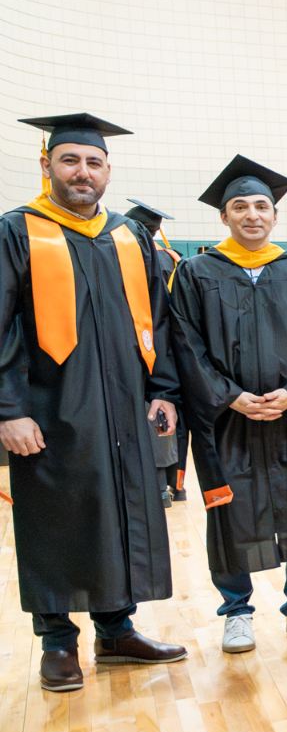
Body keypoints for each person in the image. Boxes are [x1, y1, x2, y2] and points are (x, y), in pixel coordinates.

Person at [2, 114, 185, 692]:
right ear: (47, 165)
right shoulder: (17, 232)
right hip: (50, 409)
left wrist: (163, 391)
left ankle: (116, 629)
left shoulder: (129, 236)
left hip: (126, 405)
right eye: (71, 160)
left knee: (122, 510)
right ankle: (57, 642)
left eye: (94, 162)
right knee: (56, 518)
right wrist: (8, 409)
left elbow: (160, 319)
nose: (83, 172)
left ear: (108, 170)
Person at [172, 155, 287, 654]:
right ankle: (236, 609)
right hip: (228, 420)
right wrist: (231, 397)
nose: (252, 214)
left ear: (275, 215)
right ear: (222, 216)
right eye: (240, 206)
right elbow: (186, 344)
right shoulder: (197, 272)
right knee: (230, 509)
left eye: (261, 206)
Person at [124, 196, 186, 505]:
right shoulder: (171, 257)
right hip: (167, 344)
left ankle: (161, 486)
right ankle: (177, 484)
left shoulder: (150, 257)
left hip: (150, 345)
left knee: (156, 413)